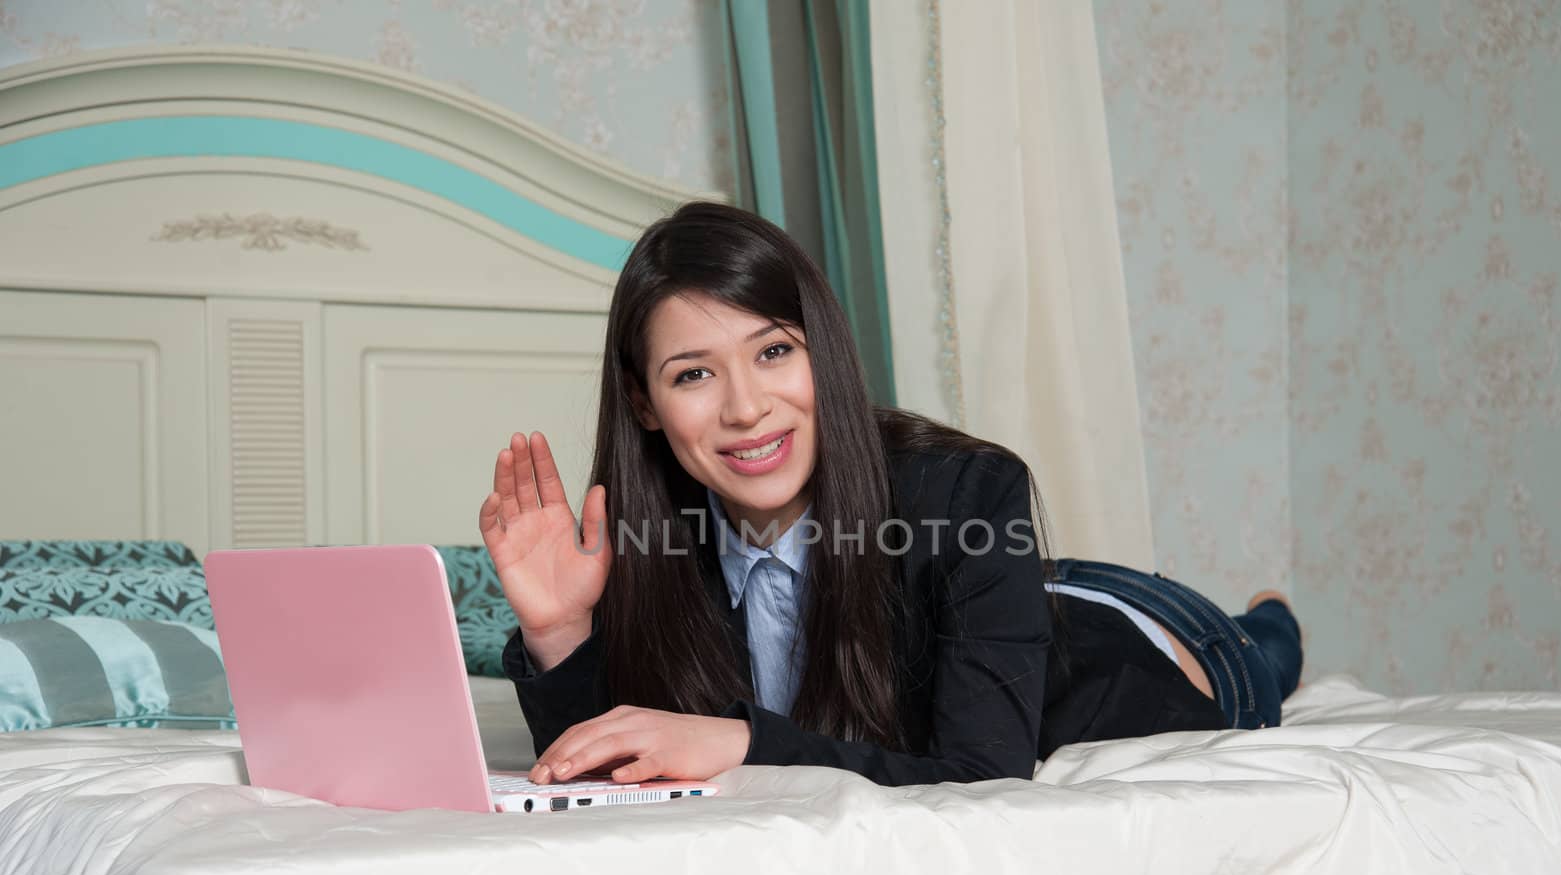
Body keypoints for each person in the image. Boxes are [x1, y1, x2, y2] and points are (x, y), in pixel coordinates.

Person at [479, 202, 1303, 789]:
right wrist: (560, 632)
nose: (745, 406)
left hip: (1149, 641)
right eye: (693, 373)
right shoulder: (641, 532)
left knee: (1265, 650)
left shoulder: (975, 492)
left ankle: (1268, 615)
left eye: (773, 352)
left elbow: (982, 776)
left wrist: (741, 741)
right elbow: (599, 763)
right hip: (995, 586)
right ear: (642, 403)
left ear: (824, 351)